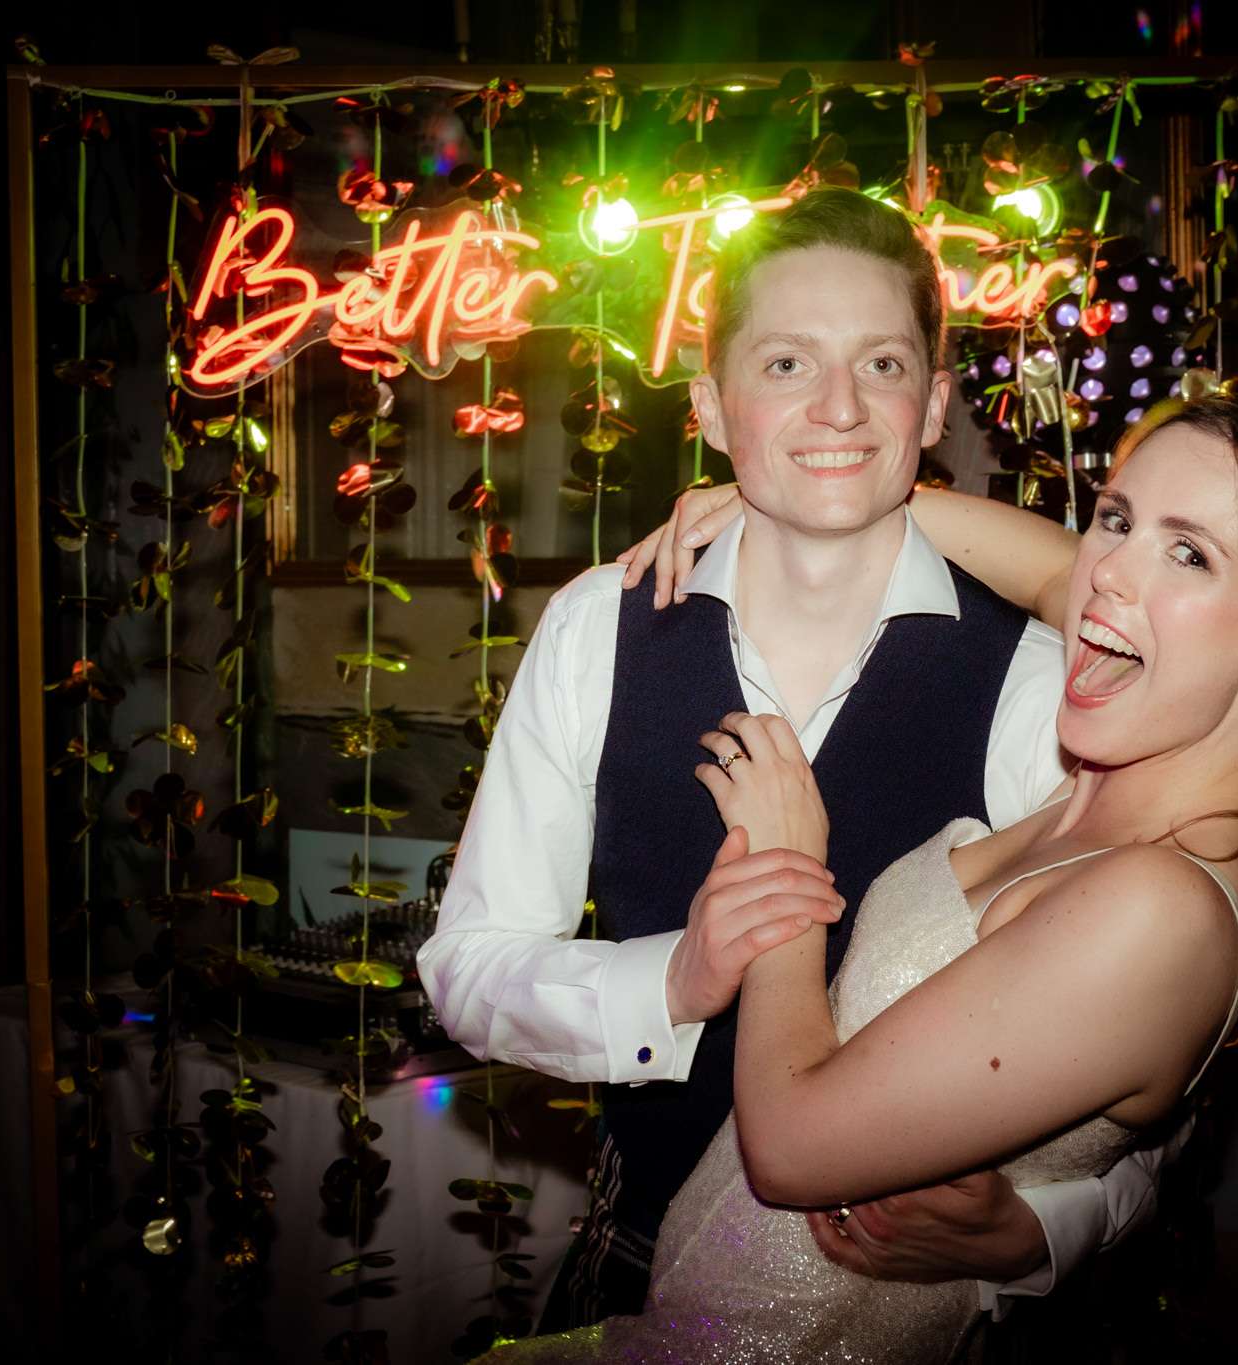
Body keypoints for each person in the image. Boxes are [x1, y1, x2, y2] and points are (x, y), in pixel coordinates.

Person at [480, 385, 1238, 1363]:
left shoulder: (1163, 894)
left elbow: (791, 1147)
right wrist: (821, 497)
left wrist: (781, 866)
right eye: (1112, 518)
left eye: (1188, 550)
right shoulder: (1154, 767)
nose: (1106, 574)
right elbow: (1064, 577)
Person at [416, 188, 1167, 1339]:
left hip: (925, 1318)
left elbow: (1151, 1043)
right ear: (712, 407)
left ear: (932, 408)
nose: (836, 408)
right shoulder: (595, 629)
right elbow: (466, 967)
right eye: (783, 365)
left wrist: (1040, 1229)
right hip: (642, 1266)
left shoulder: (1034, 679)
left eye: (879, 364)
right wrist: (671, 983)